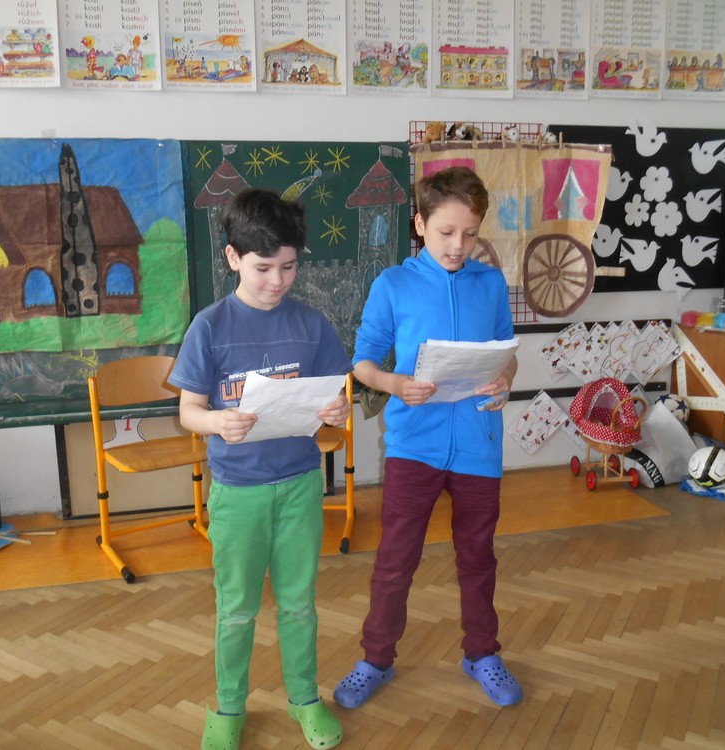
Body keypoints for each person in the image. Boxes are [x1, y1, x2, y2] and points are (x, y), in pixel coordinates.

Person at [333, 166, 522, 710]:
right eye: (445, 232)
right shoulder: (393, 284)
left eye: (470, 233)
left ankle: (482, 653)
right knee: (396, 561)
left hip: (479, 444)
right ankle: (376, 659)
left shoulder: (490, 284)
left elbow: (506, 353)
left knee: (478, 558)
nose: (458, 245)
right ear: (419, 224)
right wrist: (395, 384)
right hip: (414, 445)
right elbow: (364, 363)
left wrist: (506, 379)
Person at [169, 188, 351, 750]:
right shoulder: (210, 326)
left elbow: (335, 397)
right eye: (263, 268)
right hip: (238, 492)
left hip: (299, 484)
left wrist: (337, 409)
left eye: (289, 267)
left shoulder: (312, 324)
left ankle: (304, 698)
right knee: (237, 608)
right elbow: (187, 412)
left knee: (299, 603)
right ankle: (228, 708)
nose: (277, 281)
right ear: (232, 258)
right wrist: (216, 422)